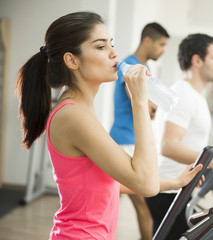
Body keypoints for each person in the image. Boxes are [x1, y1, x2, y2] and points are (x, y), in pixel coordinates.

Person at [15, 12, 203, 240]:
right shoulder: (73, 116)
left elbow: (107, 182)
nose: (114, 53)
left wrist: (175, 182)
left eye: (111, 44)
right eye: (101, 47)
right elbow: (146, 184)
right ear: (72, 60)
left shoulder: (81, 110)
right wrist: (139, 102)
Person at [145, 33, 213, 239]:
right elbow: (168, 146)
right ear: (197, 60)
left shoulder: (192, 95)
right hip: (168, 192)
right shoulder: (183, 96)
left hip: (176, 188)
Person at [109, 22, 169, 240]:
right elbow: (137, 96)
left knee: (113, 204)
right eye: (161, 44)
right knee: (144, 211)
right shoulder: (132, 67)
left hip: (128, 141)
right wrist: (151, 105)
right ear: (147, 40)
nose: (163, 50)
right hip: (125, 143)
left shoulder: (138, 66)